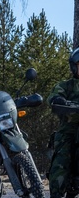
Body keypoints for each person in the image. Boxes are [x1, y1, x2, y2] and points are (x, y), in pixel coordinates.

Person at [47, 47, 79, 198]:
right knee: (60, 164)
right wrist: (58, 100)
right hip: (69, 131)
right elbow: (54, 97)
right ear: (74, 66)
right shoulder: (66, 85)